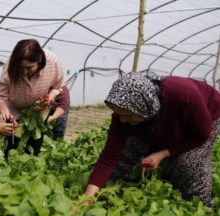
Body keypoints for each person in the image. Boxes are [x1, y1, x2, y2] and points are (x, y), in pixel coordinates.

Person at [84, 70, 220, 207]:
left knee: (187, 164)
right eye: (120, 114)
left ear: (144, 108)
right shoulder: (123, 115)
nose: (123, 120)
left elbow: (201, 135)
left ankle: (203, 206)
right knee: (125, 159)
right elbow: (109, 157)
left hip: (208, 115)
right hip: (156, 117)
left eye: (128, 115)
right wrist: (87, 198)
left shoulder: (184, 96)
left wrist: (162, 154)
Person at [0, 39, 64, 156]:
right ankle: (8, 166)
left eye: (29, 67)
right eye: (21, 68)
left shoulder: (52, 62)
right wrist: (4, 111)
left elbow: (58, 86)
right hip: (13, 111)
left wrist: (50, 97)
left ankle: (30, 164)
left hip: (38, 113)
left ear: (39, 61)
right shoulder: (10, 66)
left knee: (35, 145)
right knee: (11, 145)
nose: (25, 71)